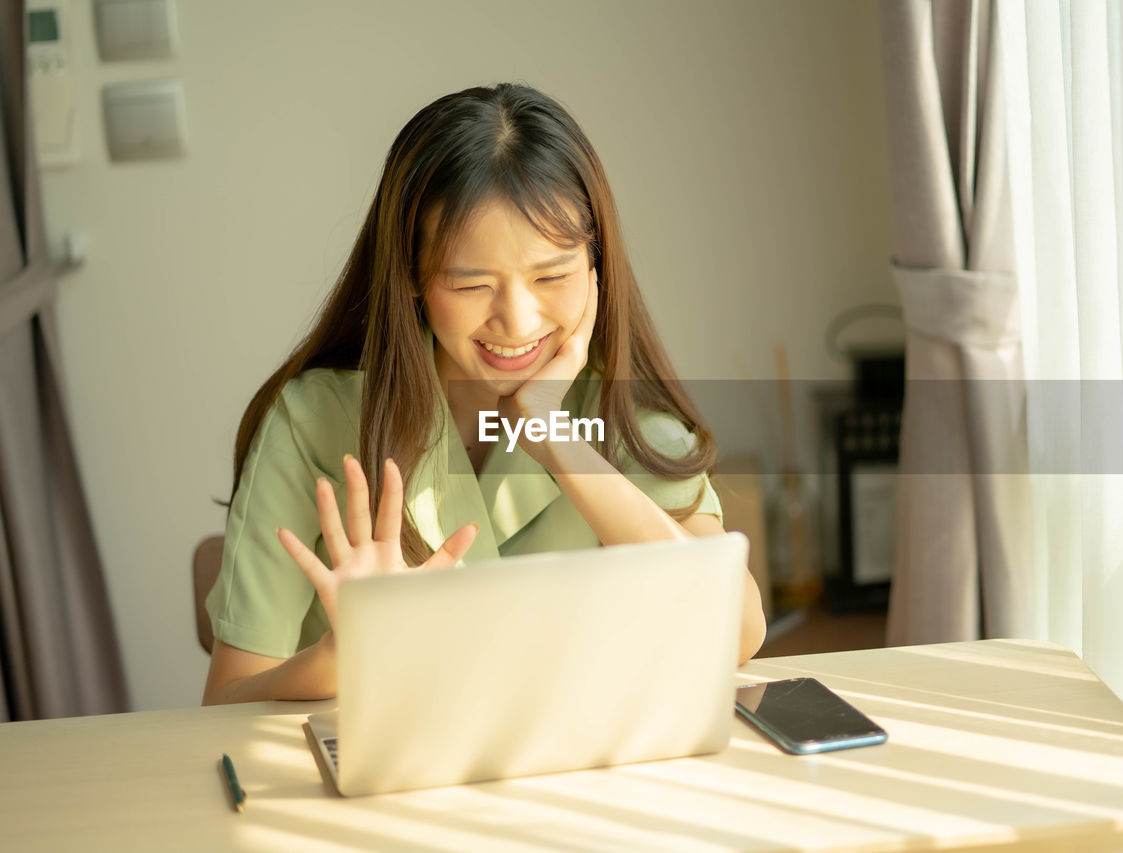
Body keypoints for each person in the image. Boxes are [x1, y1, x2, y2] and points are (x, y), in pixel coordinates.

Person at [202, 83, 766, 705]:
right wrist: (346, 656)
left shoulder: (624, 417)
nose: (518, 322)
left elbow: (737, 630)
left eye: (552, 276)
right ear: (413, 278)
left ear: (596, 268)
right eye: (472, 286)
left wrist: (552, 435)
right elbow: (228, 699)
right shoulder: (313, 423)